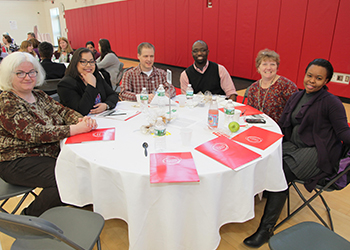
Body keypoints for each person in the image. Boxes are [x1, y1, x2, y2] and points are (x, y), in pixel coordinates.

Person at [243, 58, 350, 248]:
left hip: (318, 152)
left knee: (280, 172)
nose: (312, 81)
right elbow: (286, 124)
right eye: (309, 75)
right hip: (295, 145)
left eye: (318, 78)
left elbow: (343, 132)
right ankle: (259, 197)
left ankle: (265, 230)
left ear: (326, 81)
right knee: (263, 155)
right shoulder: (297, 96)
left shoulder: (332, 103)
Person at [0, 52, 97, 217]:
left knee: (81, 167)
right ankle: (28, 219)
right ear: (9, 76)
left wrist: (82, 120)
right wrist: (74, 129)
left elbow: (63, 111)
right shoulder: (6, 101)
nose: (27, 77)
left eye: (32, 72)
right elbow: (33, 132)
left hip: (48, 153)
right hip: (17, 160)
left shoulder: (39, 95)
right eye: (20, 73)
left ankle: (76, 204)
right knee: (66, 177)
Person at [57, 47, 119, 116]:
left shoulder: (96, 77)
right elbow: (81, 110)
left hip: (103, 118)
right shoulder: (66, 84)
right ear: (75, 63)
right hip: (82, 123)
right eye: (84, 62)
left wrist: (106, 105)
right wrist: (91, 85)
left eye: (91, 61)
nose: (89, 65)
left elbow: (113, 94)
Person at [247, 49, 298, 122]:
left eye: (272, 64)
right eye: (265, 64)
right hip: (257, 125)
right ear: (258, 67)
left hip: (279, 127)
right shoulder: (253, 88)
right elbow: (250, 111)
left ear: (277, 67)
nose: (268, 68)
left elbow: (295, 110)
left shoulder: (286, 85)